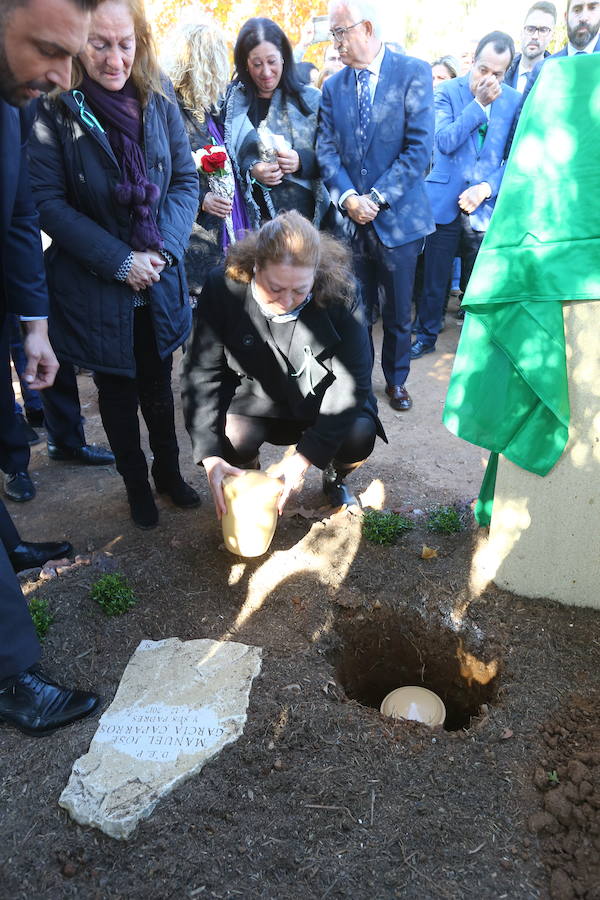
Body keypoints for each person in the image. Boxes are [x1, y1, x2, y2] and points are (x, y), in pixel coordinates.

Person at [29, 0, 200, 530]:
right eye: (100, 43)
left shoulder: (159, 94)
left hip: (159, 278)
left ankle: (169, 476)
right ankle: (136, 487)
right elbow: (48, 202)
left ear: (140, 41)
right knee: (118, 394)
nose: (114, 58)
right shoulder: (56, 107)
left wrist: (162, 250)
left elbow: (185, 181)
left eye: (125, 43)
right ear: (79, 41)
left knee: (158, 385)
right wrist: (119, 260)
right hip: (99, 286)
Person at [0, 0, 100, 737]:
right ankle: (10, 673)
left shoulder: (10, 107)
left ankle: (8, 546)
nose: (63, 77)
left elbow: (14, 218)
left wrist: (34, 325)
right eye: (47, 50)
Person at [182, 210, 386, 513]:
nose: (287, 300)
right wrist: (210, 454)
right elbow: (201, 370)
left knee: (359, 434)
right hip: (257, 394)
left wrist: (303, 460)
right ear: (254, 266)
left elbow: (351, 382)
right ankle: (246, 476)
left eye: (300, 290)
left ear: (316, 274)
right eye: (275, 288)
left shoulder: (343, 291)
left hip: (323, 395)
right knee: (231, 435)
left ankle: (335, 476)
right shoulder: (223, 285)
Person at [316, 0, 434, 412]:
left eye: (339, 33)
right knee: (356, 311)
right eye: (333, 35)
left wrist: (377, 200)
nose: (335, 45)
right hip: (350, 224)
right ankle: (361, 383)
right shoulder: (332, 87)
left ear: (365, 28)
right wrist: (349, 198)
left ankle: (397, 380)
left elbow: (419, 150)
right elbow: (326, 150)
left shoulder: (413, 72)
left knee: (400, 312)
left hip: (398, 220)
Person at [410, 32, 521, 361]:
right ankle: (426, 334)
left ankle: (476, 346)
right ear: (472, 61)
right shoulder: (445, 91)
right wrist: (479, 105)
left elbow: (514, 157)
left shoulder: (515, 100)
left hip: (484, 206)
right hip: (443, 201)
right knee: (435, 278)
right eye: (483, 70)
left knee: (479, 281)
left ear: (508, 71)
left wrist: (486, 188)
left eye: (498, 74)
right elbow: (443, 140)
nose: (489, 79)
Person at [164, 22, 248, 304]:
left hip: (223, 231)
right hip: (193, 237)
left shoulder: (210, 108)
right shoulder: (169, 107)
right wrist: (202, 198)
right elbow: (159, 170)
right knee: (201, 330)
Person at [224, 17, 329, 230]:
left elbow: (333, 155)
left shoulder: (311, 99)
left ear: (284, 57)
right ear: (245, 63)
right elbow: (222, 157)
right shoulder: (230, 103)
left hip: (302, 225)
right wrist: (251, 169)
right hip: (247, 223)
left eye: (272, 61)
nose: (265, 72)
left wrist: (301, 160)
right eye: (256, 64)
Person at [504, 2, 556, 92]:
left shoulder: (557, 79)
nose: (535, 36)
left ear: (552, 36)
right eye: (530, 29)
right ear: (521, 31)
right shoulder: (501, 73)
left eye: (543, 30)